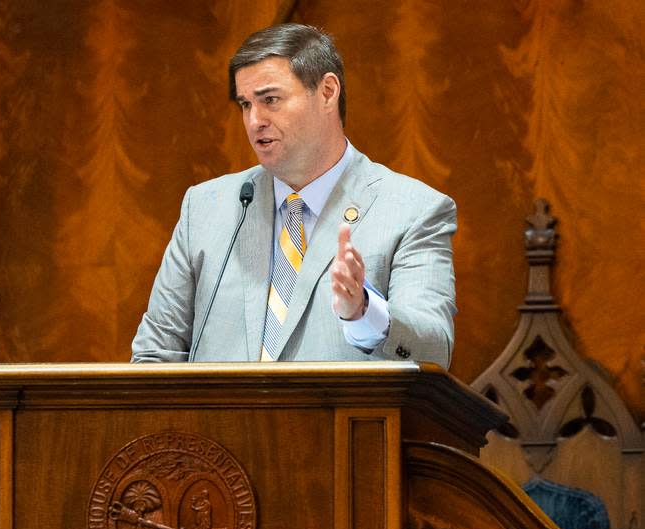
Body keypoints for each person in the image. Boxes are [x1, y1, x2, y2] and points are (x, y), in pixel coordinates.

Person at [131, 24, 456, 369]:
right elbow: (154, 356)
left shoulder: (413, 210)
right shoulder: (206, 208)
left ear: (328, 91)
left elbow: (434, 350)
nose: (255, 120)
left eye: (270, 100)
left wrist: (364, 314)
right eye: (245, 104)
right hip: (214, 425)